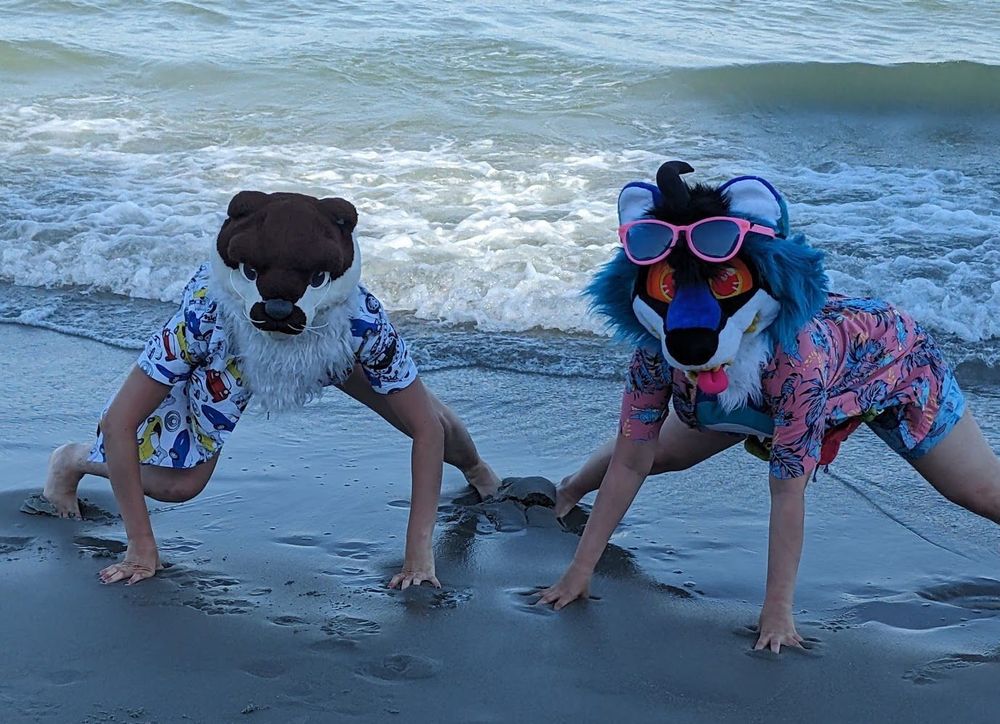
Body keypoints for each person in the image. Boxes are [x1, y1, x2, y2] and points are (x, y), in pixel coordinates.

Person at [536, 161, 1000, 653]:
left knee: (979, 492)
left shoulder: (799, 364)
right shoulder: (658, 348)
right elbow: (631, 456)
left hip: (892, 366)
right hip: (739, 389)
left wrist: (777, 613)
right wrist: (578, 572)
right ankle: (567, 492)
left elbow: (787, 492)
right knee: (660, 453)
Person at [37, 190, 499, 589]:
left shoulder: (359, 319)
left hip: (326, 344)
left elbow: (424, 428)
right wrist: (141, 547)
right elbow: (119, 421)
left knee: (430, 420)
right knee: (181, 486)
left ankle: (477, 470)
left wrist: (419, 551)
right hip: (235, 354)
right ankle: (73, 459)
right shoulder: (206, 315)